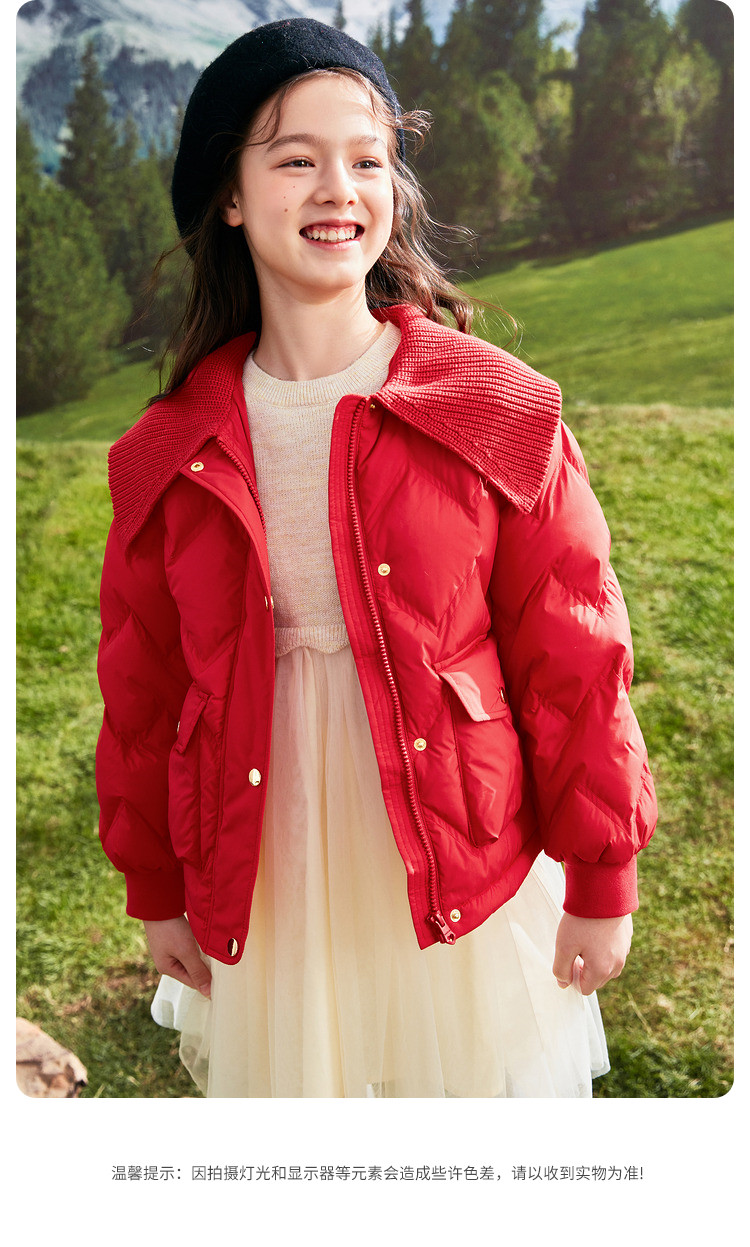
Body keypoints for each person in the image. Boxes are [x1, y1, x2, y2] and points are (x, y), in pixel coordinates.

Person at [96, 18, 657, 1098]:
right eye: (294, 160)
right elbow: (144, 689)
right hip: (267, 863)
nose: (337, 190)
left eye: (367, 159)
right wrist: (155, 884)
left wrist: (602, 870)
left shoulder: (492, 407)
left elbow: (577, 653)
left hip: (458, 847)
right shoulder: (166, 455)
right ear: (228, 195)